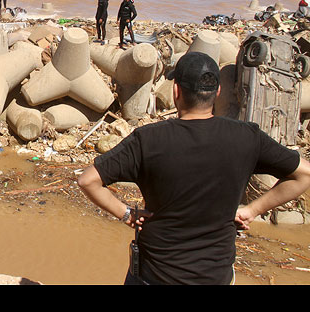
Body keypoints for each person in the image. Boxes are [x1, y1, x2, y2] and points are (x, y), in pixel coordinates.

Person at [77, 51, 310, 285]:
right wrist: (253, 210)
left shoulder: (148, 140)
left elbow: (88, 180)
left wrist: (127, 213)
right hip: (216, 277)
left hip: (155, 275)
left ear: (176, 91)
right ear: (217, 93)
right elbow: (303, 174)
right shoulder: (247, 137)